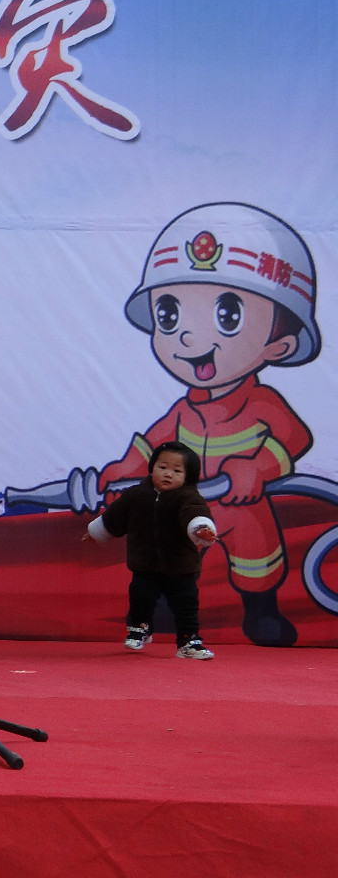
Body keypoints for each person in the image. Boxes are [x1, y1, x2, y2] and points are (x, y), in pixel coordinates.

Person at [97, 202, 318, 646]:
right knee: (170, 553)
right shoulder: (184, 410)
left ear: (280, 345)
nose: (187, 336)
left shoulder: (261, 402)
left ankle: (261, 609)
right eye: (169, 315)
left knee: (255, 548)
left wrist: (256, 469)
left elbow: (293, 437)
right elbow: (152, 446)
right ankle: (163, 610)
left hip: (239, 504)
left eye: (228, 316)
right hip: (184, 506)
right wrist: (126, 470)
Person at [84, 441, 219, 660]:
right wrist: (97, 532)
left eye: (177, 471)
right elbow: (115, 517)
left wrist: (201, 529)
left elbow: (194, 514)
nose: (168, 474)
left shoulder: (188, 497)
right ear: (152, 467)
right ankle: (139, 629)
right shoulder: (135, 495)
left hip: (181, 567)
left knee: (186, 605)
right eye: (162, 467)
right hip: (144, 565)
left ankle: (189, 642)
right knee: (140, 597)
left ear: (188, 477)